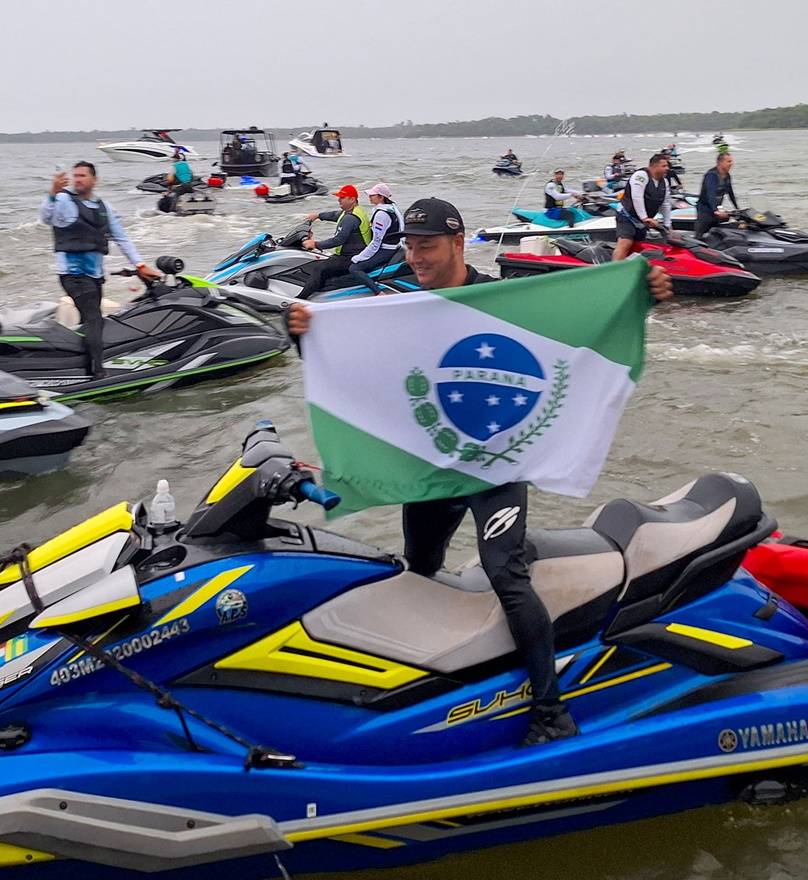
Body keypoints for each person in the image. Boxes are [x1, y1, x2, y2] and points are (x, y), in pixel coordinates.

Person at [284, 198, 673, 746]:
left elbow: (583, 321)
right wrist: (304, 332)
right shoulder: (404, 306)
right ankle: (427, 692)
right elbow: (359, 371)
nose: (417, 257)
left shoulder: (504, 299)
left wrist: (642, 294)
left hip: (496, 469)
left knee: (505, 575)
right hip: (433, 470)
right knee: (419, 570)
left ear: (458, 242)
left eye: (428, 246)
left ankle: (550, 711)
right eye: (411, 246)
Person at [39, 161, 160, 376]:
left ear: (95, 180)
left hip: (95, 275)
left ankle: (78, 364)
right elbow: (47, 218)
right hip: (72, 274)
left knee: (89, 320)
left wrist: (140, 265)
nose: (78, 179)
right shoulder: (64, 200)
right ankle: (97, 372)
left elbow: (122, 239)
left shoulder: (104, 208)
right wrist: (52, 193)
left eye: (83, 176)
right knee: (95, 318)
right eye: (75, 175)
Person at [296, 184, 370, 298]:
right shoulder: (354, 211)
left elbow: (338, 240)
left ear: (352, 199)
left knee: (319, 268)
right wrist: (318, 216)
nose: (339, 200)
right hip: (356, 254)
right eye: (338, 197)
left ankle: (300, 299)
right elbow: (335, 215)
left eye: (342, 198)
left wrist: (315, 244)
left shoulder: (350, 218)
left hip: (351, 257)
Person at [613, 153, 672, 261]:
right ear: (654, 166)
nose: (667, 168)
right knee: (626, 243)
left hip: (643, 221)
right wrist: (644, 217)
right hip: (627, 216)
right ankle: (613, 271)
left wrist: (668, 225)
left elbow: (665, 204)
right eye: (664, 166)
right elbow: (637, 197)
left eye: (667, 166)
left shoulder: (665, 182)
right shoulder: (640, 176)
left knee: (639, 245)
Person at [347, 184, 403, 292]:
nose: (370, 197)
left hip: (386, 249)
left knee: (354, 268)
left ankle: (378, 292)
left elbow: (376, 242)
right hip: (394, 246)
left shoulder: (381, 214)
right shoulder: (392, 208)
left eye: (373, 195)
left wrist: (358, 258)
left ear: (381, 197)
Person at [694, 152, 739, 238]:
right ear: (720, 162)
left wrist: (737, 208)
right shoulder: (711, 175)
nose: (731, 164)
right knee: (699, 235)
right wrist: (716, 210)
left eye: (731, 161)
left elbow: (730, 193)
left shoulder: (727, 176)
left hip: (716, 211)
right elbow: (711, 194)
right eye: (728, 161)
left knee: (716, 235)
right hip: (705, 210)